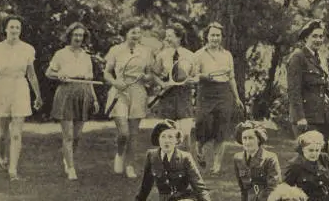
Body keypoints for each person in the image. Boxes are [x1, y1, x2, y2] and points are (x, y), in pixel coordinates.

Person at [125, 120, 222, 201]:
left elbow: (199, 187)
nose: (167, 141)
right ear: (158, 139)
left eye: (170, 137)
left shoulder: (185, 157)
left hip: (185, 199)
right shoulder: (151, 156)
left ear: (177, 140)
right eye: (163, 137)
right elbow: (145, 186)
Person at [0, 16, 44, 181]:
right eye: (12, 27)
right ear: (6, 29)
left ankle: (13, 170)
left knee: (16, 133)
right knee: (2, 134)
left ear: (20, 30)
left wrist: (38, 95)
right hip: (1, 88)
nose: (15, 30)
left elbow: (31, 75)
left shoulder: (28, 49)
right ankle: (2, 158)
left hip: (20, 88)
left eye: (17, 27)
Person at [46, 22, 100, 181]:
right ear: (70, 36)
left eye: (81, 35)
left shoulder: (86, 55)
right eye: (75, 35)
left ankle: (67, 158)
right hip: (66, 92)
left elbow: (90, 80)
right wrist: (59, 75)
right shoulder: (60, 54)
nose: (78, 38)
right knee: (68, 135)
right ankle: (70, 168)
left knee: (77, 136)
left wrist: (95, 99)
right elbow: (48, 72)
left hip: (83, 94)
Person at [104, 18, 156, 178]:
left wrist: (145, 76)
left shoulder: (146, 51)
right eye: (133, 32)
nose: (136, 35)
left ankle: (130, 165)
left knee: (134, 133)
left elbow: (150, 75)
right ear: (125, 33)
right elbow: (106, 72)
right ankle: (120, 154)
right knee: (124, 133)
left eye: (138, 32)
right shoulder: (116, 50)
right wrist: (115, 82)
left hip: (138, 91)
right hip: (120, 91)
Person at [193, 22, 245, 175]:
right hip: (206, 91)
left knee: (221, 129)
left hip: (224, 93)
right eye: (212, 35)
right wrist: (205, 76)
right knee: (202, 122)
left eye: (218, 35)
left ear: (222, 37)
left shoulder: (227, 55)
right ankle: (199, 149)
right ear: (206, 37)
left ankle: (216, 165)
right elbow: (194, 76)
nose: (215, 38)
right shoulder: (199, 54)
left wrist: (237, 98)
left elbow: (231, 77)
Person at [286, 19, 329, 151]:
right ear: (306, 37)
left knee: (322, 157)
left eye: (321, 36)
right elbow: (294, 91)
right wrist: (300, 117)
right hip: (306, 118)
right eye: (314, 36)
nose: (318, 39)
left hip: (320, 118)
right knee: (307, 158)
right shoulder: (298, 58)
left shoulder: (320, 59)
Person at [151, 23, 196, 151]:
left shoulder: (190, 55)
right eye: (166, 36)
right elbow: (154, 73)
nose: (167, 39)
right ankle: (167, 165)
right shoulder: (162, 55)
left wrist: (190, 81)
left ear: (179, 37)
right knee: (167, 134)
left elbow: (195, 76)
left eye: (170, 36)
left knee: (186, 134)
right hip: (167, 97)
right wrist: (162, 84)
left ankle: (184, 163)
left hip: (184, 96)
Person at [232, 120, 281, 201]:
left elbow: (273, 188)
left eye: (251, 138)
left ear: (259, 139)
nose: (247, 142)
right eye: (244, 138)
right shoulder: (238, 158)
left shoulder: (270, 158)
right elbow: (243, 189)